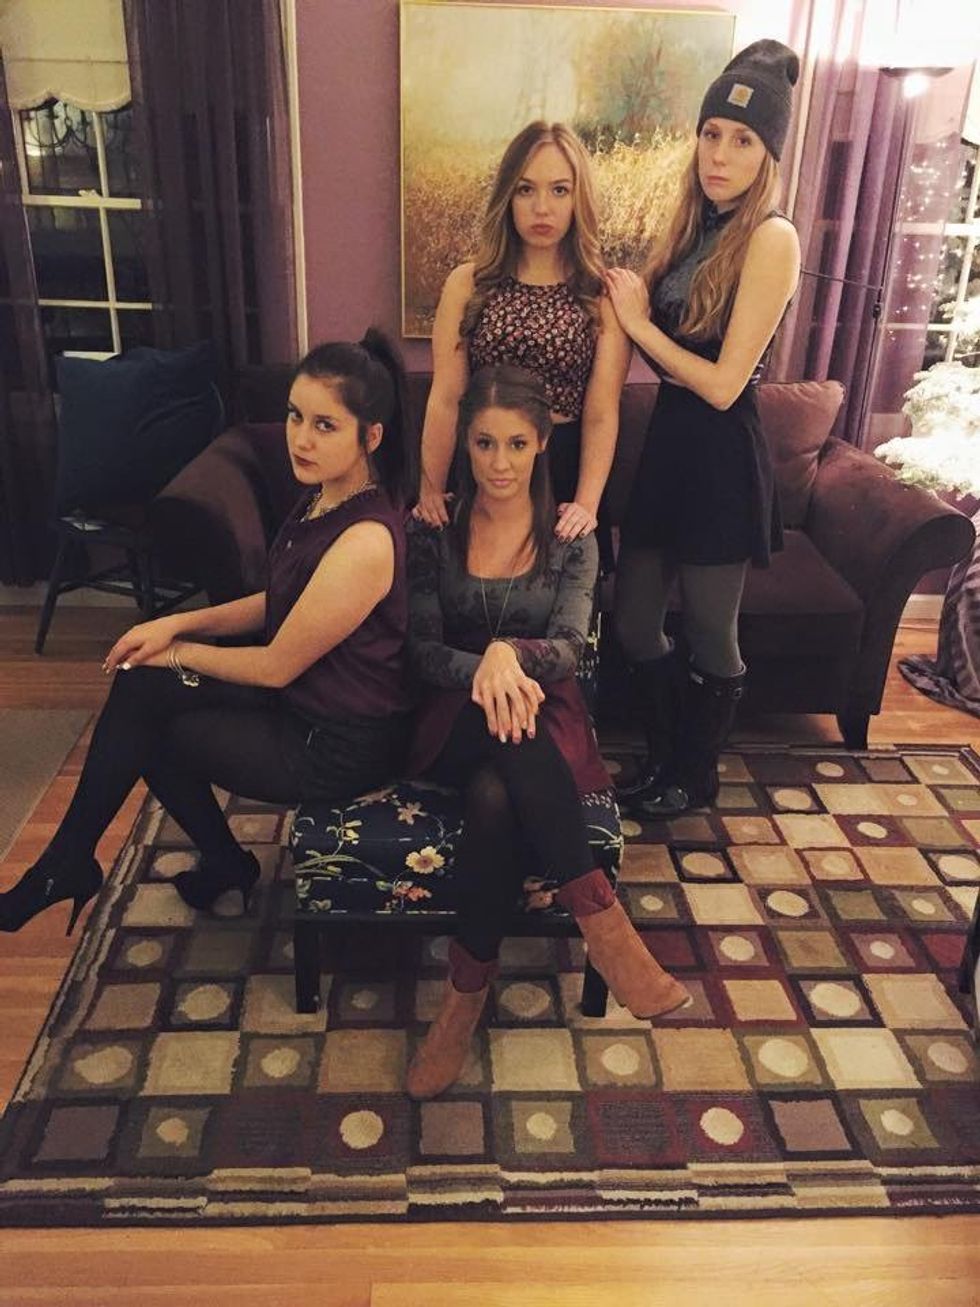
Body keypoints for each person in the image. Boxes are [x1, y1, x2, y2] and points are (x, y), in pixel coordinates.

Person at [0, 331, 417, 933]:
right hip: (303, 700)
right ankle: (82, 863)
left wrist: (180, 651)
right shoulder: (323, 497)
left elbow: (275, 664)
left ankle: (167, 865)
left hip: (333, 741)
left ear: (370, 436)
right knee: (140, 689)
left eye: (325, 426)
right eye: (295, 415)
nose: (300, 437)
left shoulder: (365, 539)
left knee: (148, 728)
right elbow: (279, 602)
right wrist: (172, 622)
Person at [404, 365, 689, 1100]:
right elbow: (423, 651)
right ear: (465, 445)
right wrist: (487, 668)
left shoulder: (571, 536)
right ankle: (604, 923)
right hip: (449, 714)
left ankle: (460, 1005)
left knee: (496, 795)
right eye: (484, 443)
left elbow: (566, 647)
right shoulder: (433, 528)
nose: (499, 463)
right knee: (500, 730)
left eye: (516, 443)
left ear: (540, 443)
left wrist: (511, 655)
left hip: (543, 713)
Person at [603, 40, 802, 816]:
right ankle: (662, 757)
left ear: (768, 154)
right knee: (633, 621)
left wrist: (637, 325)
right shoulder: (692, 227)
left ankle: (694, 772)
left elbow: (723, 385)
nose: (720, 154)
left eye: (743, 140)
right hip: (669, 449)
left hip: (720, 455)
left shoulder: (772, 237)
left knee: (713, 633)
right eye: (712, 133)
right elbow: (638, 319)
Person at [414, 121, 630, 566]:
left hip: (563, 470)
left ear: (578, 198)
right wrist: (430, 488)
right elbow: (447, 397)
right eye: (526, 190)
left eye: (559, 190)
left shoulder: (601, 294)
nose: (542, 208)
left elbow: (602, 411)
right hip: (484, 465)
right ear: (507, 197)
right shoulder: (468, 284)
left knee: (563, 604)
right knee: (473, 600)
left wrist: (587, 503)